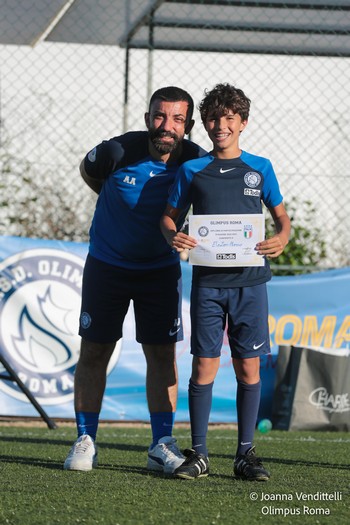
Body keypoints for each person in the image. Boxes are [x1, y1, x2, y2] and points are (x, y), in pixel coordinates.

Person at [64, 86, 206, 473]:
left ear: (188, 126)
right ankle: (85, 438)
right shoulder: (117, 151)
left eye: (177, 119)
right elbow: (88, 171)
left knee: (161, 355)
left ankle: (161, 443)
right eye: (160, 116)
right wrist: (115, 198)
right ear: (147, 119)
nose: (167, 125)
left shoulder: (197, 161)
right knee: (94, 351)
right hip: (107, 267)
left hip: (160, 272)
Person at [160, 83, 291, 481]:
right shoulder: (192, 170)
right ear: (205, 123)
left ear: (243, 123)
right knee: (204, 366)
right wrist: (173, 234)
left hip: (251, 283)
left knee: (248, 368)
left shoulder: (260, 168)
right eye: (214, 118)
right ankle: (199, 454)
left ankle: (244, 454)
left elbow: (282, 219)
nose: (221, 126)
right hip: (209, 285)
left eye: (229, 119)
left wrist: (282, 237)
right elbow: (168, 217)